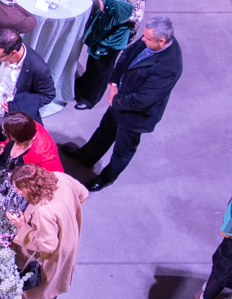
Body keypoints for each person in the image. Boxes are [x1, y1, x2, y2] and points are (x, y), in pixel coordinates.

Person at [61, 16, 183, 189]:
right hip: (120, 99)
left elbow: (143, 99)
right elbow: (126, 55)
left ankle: (106, 178)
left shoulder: (168, 67)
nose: (143, 40)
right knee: (104, 131)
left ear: (161, 41)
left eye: (147, 38)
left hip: (136, 116)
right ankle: (86, 157)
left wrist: (116, 100)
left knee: (123, 150)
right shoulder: (151, 39)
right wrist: (113, 84)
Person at [7, 164, 85, 299]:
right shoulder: (59, 177)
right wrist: (66, 219)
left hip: (51, 255)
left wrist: (21, 227)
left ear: (30, 188)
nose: (16, 191)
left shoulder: (43, 211)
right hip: (68, 237)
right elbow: (83, 193)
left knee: (38, 286)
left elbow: (47, 245)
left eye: (18, 188)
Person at [0, 26, 54, 123]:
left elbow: (48, 95)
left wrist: (19, 107)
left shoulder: (38, 68)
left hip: (10, 119)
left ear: (13, 53)